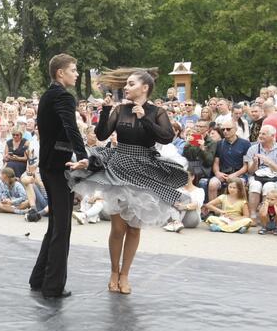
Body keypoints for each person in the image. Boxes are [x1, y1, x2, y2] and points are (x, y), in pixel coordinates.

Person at [69, 69, 187, 295]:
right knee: (118, 226)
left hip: (144, 167)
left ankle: (125, 274)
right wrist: (104, 110)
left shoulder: (157, 111)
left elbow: (166, 137)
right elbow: (103, 135)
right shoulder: (120, 109)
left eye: (131, 83)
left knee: (134, 228)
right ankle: (114, 271)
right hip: (120, 166)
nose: (126, 87)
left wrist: (144, 118)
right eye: (126, 83)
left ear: (145, 88)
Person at [28, 54, 88, 299]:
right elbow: (70, 127)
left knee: (55, 224)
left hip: (49, 164)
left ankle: (39, 278)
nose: (76, 74)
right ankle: (52, 286)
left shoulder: (48, 95)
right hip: (59, 166)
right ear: (60, 73)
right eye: (73, 70)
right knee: (61, 227)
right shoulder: (63, 96)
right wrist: (84, 155)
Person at [206, 121, 251, 202]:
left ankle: (239, 210)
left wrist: (235, 175)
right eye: (223, 129)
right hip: (223, 173)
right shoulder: (219, 144)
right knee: (212, 184)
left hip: (239, 174)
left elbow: (246, 166)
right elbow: (216, 162)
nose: (225, 131)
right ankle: (213, 210)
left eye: (228, 129)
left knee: (237, 185)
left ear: (236, 129)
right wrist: (217, 173)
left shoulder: (245, 144)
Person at [244, 125, 277, 220]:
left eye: (264, 134)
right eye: (260, 133)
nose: (260, 136)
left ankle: (265, 216)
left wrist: (269, 162)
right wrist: (255, 163)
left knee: (269, 187)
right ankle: (253, 215)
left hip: (273, 177)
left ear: (272, 136)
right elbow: (250, 171)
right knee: (255, 185)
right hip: (256, 176)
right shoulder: (253, 149)